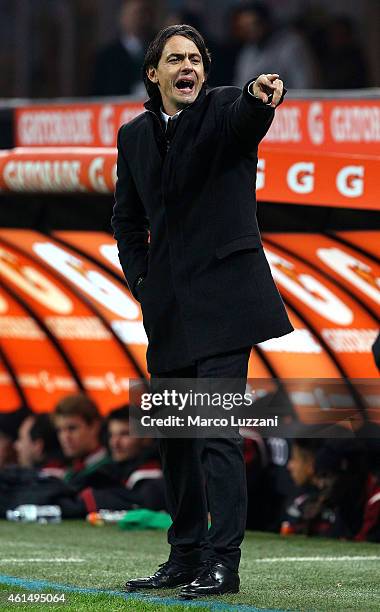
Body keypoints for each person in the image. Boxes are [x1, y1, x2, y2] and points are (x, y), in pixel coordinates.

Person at [111, 24, 293, 598]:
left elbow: (247, 115)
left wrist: (259, 94)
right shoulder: (133, 136)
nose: (187, 67)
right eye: (175, 59)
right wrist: (141, 280)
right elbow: (125, 218)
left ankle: (223, 563)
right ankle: (185, 554)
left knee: (215, 431)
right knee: (174, 435)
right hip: (167, 307)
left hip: (222, 303)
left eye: (195, 59)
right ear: (154, 74)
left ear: (204, 71)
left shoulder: (222, 109)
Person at [233, 2, 316, 90]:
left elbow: (305, 86)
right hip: (258, 102)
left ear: (266, 22)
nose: (250, 30)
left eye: (253, 24)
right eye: (244, 27)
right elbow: (241, 85)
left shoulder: (290, 44)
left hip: (289, 101)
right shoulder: (248, 50)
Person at [90, 0, 156, 97]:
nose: (139, 19)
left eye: (143, 14)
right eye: (134, 14)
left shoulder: (161, 49)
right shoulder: (107, 56)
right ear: (122, 18)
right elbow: (97, 93)